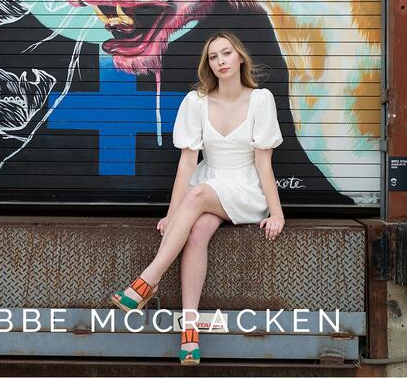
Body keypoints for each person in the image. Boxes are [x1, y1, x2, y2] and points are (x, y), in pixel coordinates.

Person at [109, 31, 287, 365]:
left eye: (226, 53)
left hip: (245, 189)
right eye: (213, 57)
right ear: (208, 64)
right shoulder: (197, 102)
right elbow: (187, 164)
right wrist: (173, 215)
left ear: (240, 57)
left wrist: (276, 213)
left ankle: (147, 281)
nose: (220, 61)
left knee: (199, 193)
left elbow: (264, 164)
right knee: (196, 232)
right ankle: (189, 332)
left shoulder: (260, 100)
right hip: (208, 183)